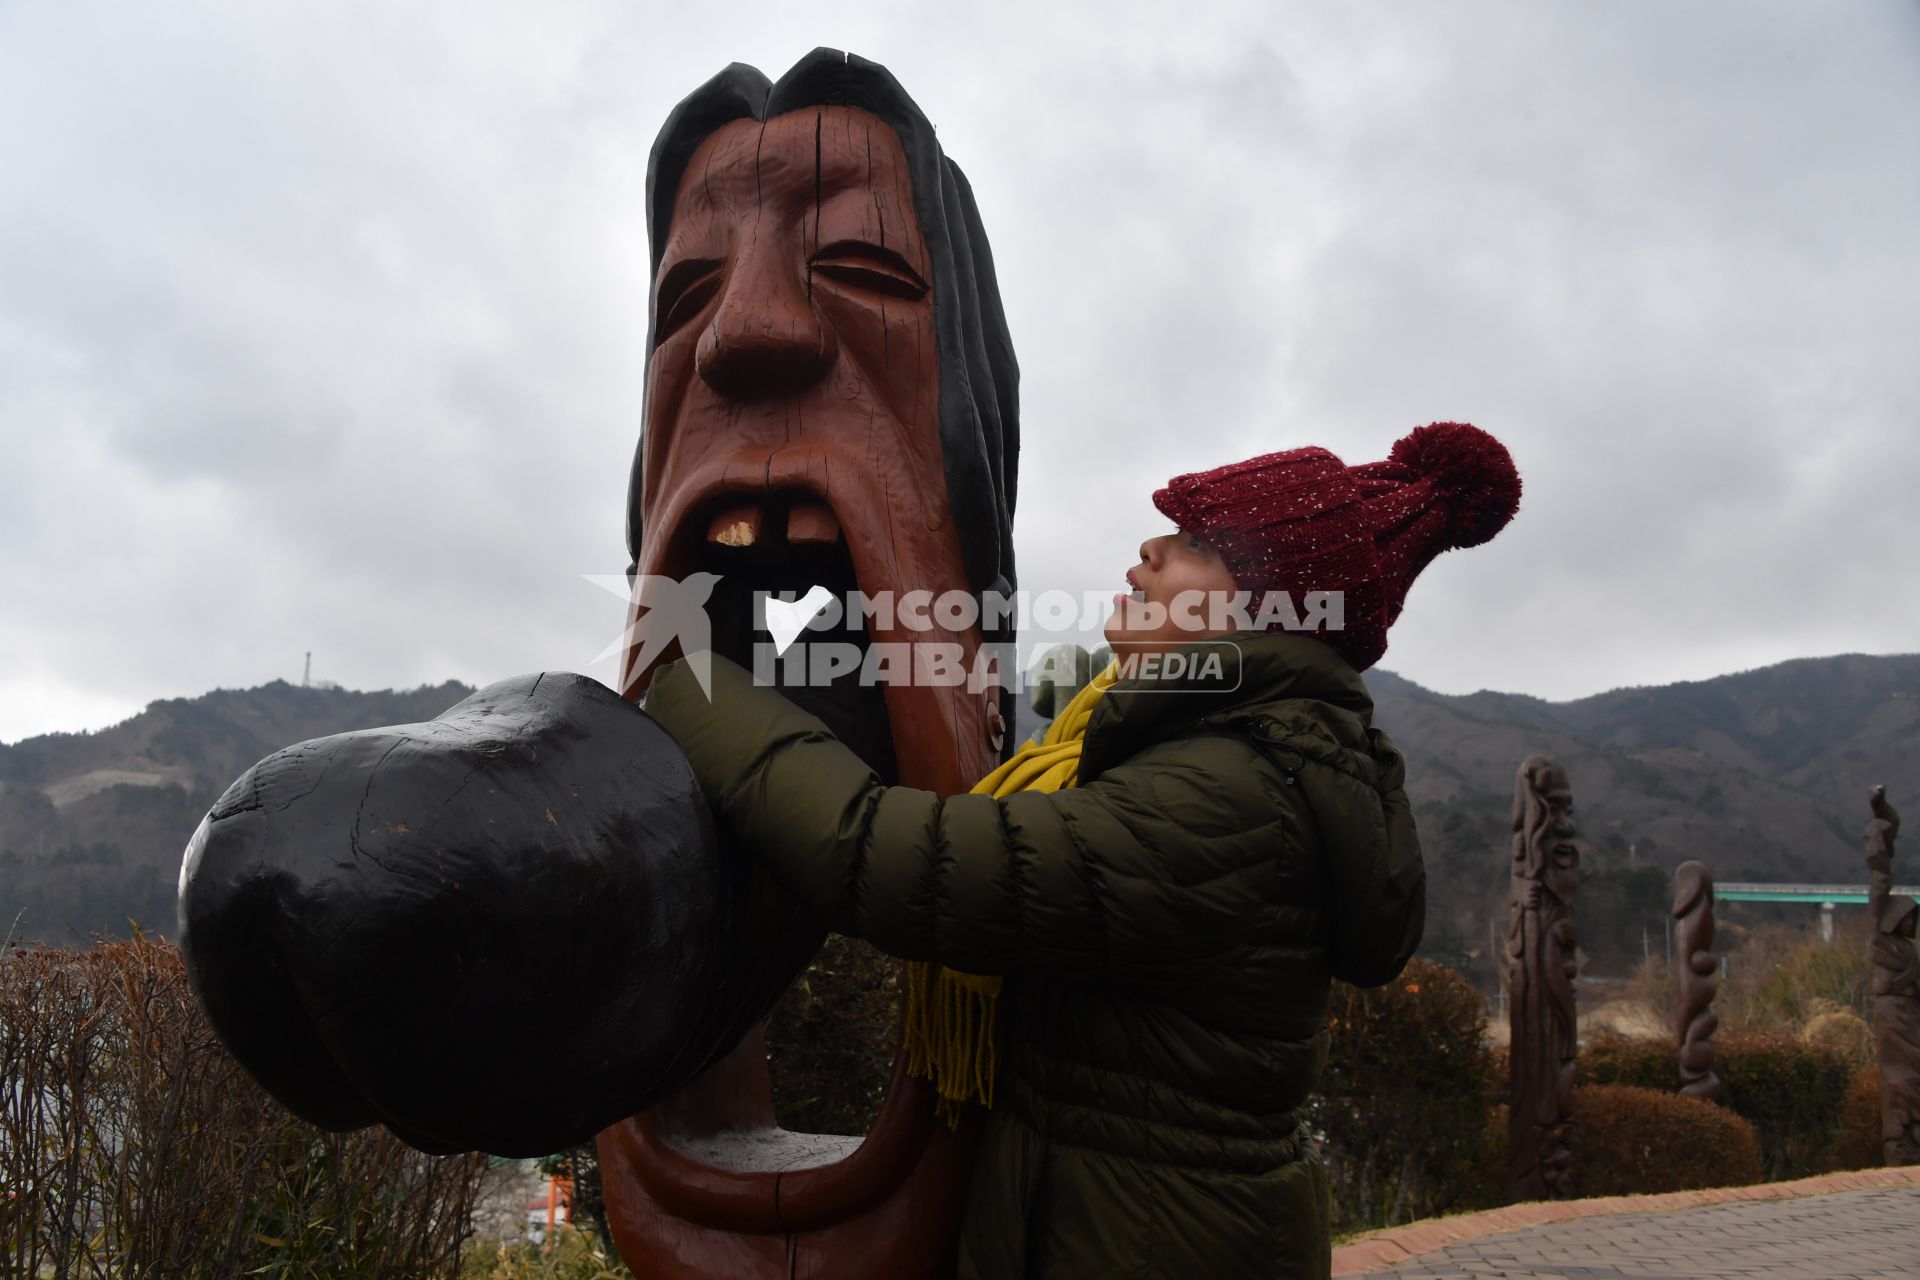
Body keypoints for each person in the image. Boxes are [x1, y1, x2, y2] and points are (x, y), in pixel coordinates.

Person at [644, 420, 1521, 1279]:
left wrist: (691, 682)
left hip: (1148, 1235)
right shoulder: (1173, 744)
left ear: (1263, 606)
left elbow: (906, 864)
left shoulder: (1224, 798)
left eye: (1193, 540)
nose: (1147, 548)